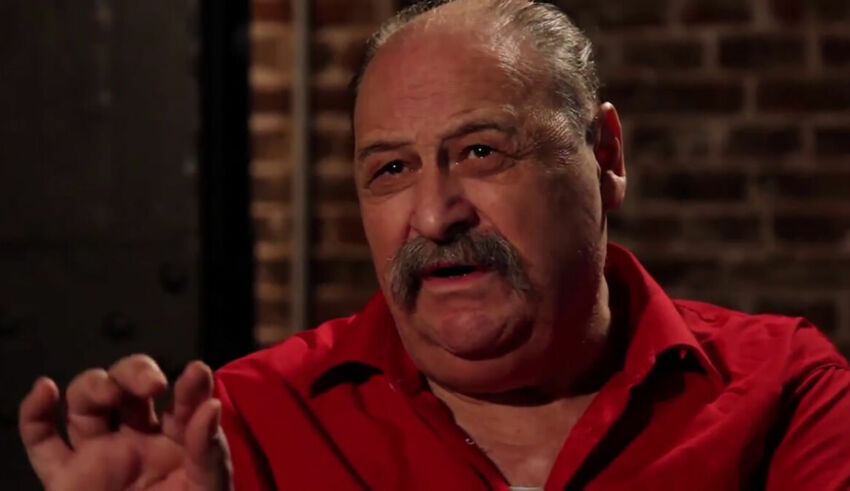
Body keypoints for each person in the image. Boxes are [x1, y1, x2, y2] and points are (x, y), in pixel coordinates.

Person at [18, 1, 850, 489]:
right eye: (391, 169)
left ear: (605, 155)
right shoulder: (244, 428)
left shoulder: (785, 393)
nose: (433, 215)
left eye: (481, 151)